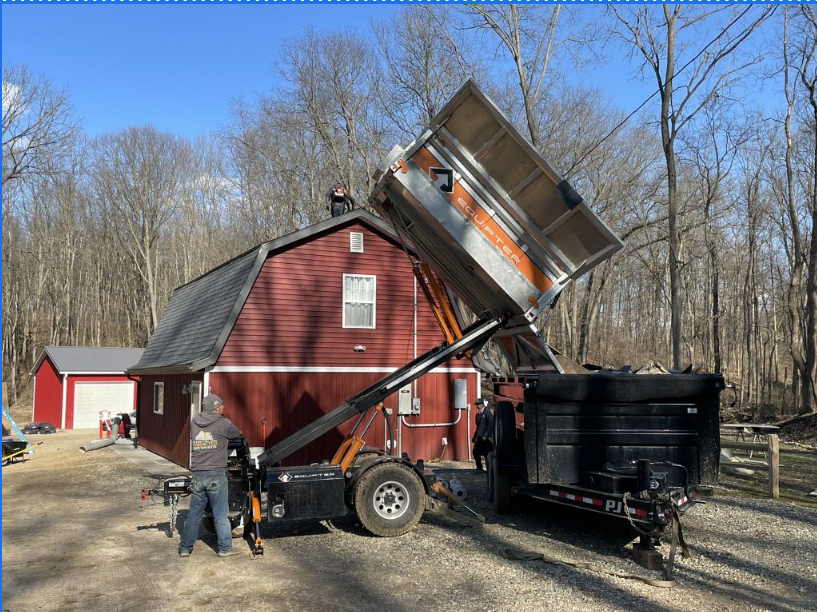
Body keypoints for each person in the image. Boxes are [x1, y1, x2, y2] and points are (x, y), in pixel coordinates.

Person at [178, 394, 243, 558]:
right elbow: (238, 434)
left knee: (194, 515)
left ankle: (185, 549)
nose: (224, 408)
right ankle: (225, 548)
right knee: (220, 514)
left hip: (198, 474)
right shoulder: (224, 423)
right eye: (222, 406)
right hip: (216, 474)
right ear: (216, 407)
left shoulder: (194, 422)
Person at [472, 397, 494, 471]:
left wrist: (486, 435)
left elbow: (490, 425)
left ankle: (489, 469)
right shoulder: (478, 415)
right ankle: (479, 467)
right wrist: (475, 436)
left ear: (482, 405)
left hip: (487, 437)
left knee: (486, 454)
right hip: (480, 436)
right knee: (475, 452)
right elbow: (478, 427)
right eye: (476, 405)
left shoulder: (488, 413)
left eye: (479, 404)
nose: (477, 406)